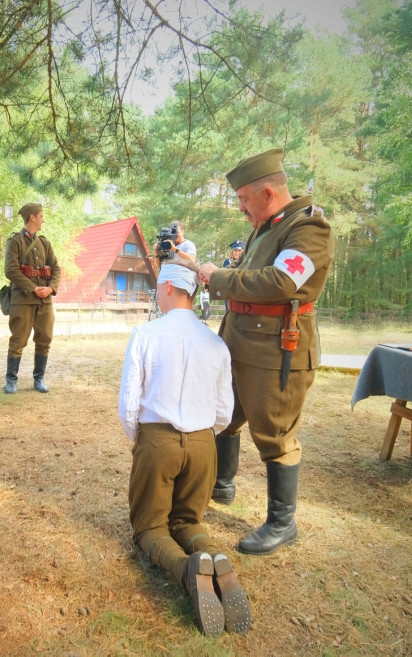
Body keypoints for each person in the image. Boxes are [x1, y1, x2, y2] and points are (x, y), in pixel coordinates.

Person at [197, 148, 334, 556]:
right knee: (225, 416)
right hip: (240, 342)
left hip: (277, 349)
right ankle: (222, 485)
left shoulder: (309, 229)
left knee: (275, 435)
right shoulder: (267, 225)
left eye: (243, 200)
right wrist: (216, 273)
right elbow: (248, 276)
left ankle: (281, 523)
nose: (241, 209)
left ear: (269, 193)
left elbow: (279, 283)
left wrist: (219, 277)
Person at [119, 263, 249, 636]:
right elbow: (224, 410)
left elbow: (130, 401)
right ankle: (216, 559)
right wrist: (202, 434)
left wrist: (143, 440)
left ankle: (187, 569)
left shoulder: (145, 333)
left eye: (158, 287)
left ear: (173, 287)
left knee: (150, 528)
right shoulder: (215, 342)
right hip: (204, 443)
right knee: (189, 522)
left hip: (158, 439)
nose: (156, 294)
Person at [3, 203, 61, 394]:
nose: (43, 219)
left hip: (45, 300)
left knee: (45, 338)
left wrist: (50, 288)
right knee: (18, 340)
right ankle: (11, 380)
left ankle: (39, 379)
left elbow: (56, 268)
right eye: (41, 216)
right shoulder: (15, 241)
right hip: (22, 299)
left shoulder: (45, 243)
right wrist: (33, 288)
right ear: (33, 218)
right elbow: (10, 270)